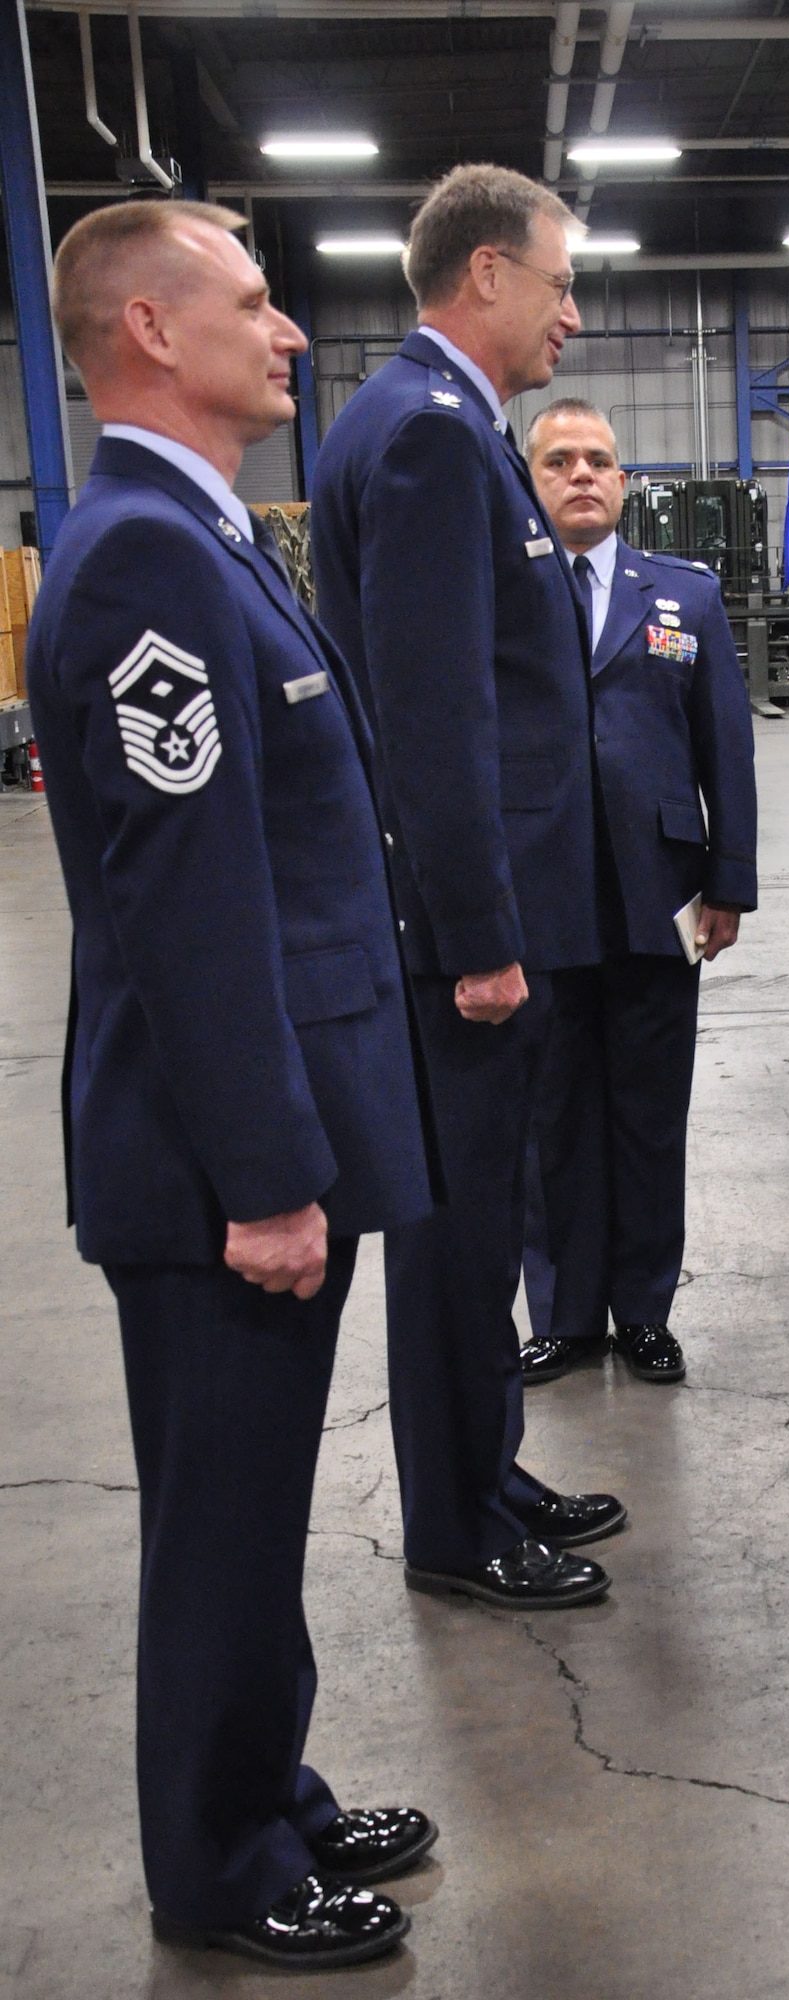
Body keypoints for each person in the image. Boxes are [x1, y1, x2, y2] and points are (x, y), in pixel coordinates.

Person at [29, 198, 434, 1970]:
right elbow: (193, 916)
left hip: (270, 1130)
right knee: (221, 1520)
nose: (285, 332)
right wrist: (269, 1177)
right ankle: (217, 1861)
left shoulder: (203, 538)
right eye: (251, 303)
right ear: (146, 336)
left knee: (257, 1502)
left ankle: (266, 1779)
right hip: (218, 1163)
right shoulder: (139, 560)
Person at [311, 165, 625, 1612]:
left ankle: (484, 1462)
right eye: (559, 280)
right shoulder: (435, 437)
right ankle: (453, 1520)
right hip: (465, 931)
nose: (573, 309)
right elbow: (435, 718)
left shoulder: (439, 425)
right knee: (458, 1229)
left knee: (487, 1214)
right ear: (485, 274)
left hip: (479, 909)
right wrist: (479, 936)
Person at [515, 399, 757, 1386]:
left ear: (623, 482)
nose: (581, 474)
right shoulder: (503, 595)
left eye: (598, 461)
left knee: (649, 1114)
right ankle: (567, 1312)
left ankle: (643, 1309)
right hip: (541, 898)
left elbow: (725, 748)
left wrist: (729, 881)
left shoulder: (685, 597)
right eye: (559, 460)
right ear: (529, 482)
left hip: (659, 892)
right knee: (555, 1115)